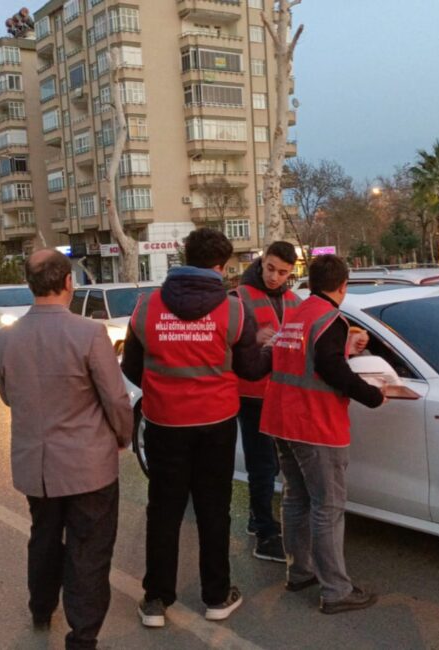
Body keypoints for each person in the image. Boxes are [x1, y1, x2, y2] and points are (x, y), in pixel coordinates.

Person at [122, 227, 270, 628]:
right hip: (216, 425)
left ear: (184, 257)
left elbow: (130, 368)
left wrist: (165, 388)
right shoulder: (235, 310)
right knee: (213, 509)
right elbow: (250, 369)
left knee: (164, 510)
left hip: (164, 424)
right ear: (221, 267)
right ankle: (217, 596)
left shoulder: (147, 307)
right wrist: (270, 349)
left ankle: (156, 600)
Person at [0, 249, 133, 648]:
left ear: (30, 285)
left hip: (35, 467)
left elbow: (7, 396)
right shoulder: (89, 333)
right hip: (90, 466)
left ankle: (40, 607)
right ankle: (83, 635)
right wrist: (122, 437)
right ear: (69, 282)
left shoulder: (3, 339)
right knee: (89, 549)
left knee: (44, 535)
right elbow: (116, 400)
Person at [260, 254, 385, 615]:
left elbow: (308, 357)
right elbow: (332, 368)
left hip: (280, 419)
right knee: (327, 507)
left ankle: (299, 571)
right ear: (343, 286)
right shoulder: (332, 319)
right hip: (313, 424)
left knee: (296, 499)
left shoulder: (297, 314)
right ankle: (336, 590)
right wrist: (373, 395)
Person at [231, 242, 301, 562]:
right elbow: (226, 342)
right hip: (251, 394)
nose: (274, 277)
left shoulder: (292, 299)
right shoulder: (239, 297)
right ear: (262, 263)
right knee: (264, 465)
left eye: (283, 272)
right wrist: (252, 339)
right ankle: (264, 534)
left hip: (280, 391)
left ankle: (258, 520)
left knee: (271, 464)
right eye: (270, 268)